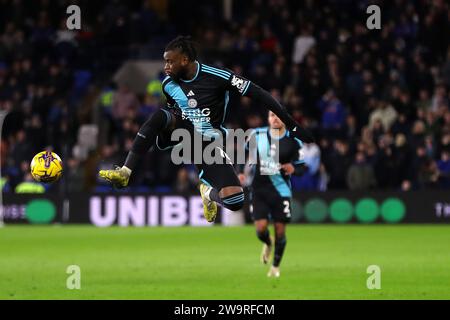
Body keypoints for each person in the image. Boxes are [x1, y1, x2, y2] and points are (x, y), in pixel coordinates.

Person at [99, 36, 313, 223]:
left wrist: (292, 125)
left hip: (208, 142)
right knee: (160, 115)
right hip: (179, 133)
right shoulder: (168, 84)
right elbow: (173, 113)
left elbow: (260, 94)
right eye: (165, 62)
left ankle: (208, 192)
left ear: (184, 60)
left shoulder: (218, 77)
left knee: (235, 200)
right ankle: (125, 172)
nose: (166, 67)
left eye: (170, 62)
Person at [239, 111, 306, 277]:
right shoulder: (257, 134)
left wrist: (294, 169)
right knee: (261, 229)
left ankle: (275, 266)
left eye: (278, 115)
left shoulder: (294, 140)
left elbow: (302, 167)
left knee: (280, 230)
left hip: (281, 190)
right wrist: (241, 171)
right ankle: (268, 243)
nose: (275, 118)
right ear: (268, 119)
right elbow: (245, 155)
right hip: (259, 189)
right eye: (271, 115)